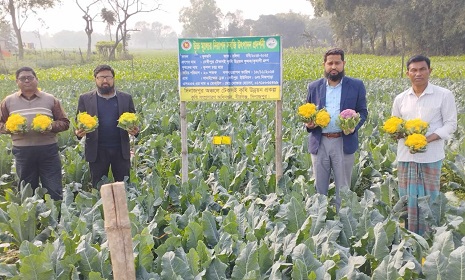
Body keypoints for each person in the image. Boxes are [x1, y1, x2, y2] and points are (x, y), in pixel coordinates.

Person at [392, 55, 457, 235]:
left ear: (430, 71)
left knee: (430, 198)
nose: (418, 73)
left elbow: (451, 124)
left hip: (431, 156)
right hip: (406, 156)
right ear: (407, 73)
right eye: (413, 70)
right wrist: (398, 134)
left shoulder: (444, 95)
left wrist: (426, 139)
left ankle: (430, 235)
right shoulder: (400, 99)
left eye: (422, 69)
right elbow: (395, 124)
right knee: (408, 199)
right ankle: (410, 236)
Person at [305, 48, 368, 209]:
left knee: (343, 188)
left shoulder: (356, 85)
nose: (334, 67)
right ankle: (320, 220)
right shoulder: (314, 87)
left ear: (343, 64)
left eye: (337, 63)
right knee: (320, 188)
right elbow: (308, 110)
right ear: (324, 65)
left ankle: (344, 221)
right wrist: (308, 124)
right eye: (330, 63)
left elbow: (363, 111)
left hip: (343, 141)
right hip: (320, 142)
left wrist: (354, 127)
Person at [0, 67, 70, 200]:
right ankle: (32, 218)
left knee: (53, 187)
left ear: (36, 80)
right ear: (17, 82)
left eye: (30, 77)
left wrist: (51, 126)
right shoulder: (8, 101)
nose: (27, 80)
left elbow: (65, 122)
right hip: (22, 151)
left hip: (48, 150)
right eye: (22, 78)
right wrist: (9, 128)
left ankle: (54, 216)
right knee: (27, 188)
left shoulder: (50, 99)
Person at [75, 64, 139, 188]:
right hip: (97, 151)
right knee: (98, 186)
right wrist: (78, 133)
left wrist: (135, 131)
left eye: (108, 77)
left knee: (123, 186)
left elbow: (134, 120)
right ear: (95, 79)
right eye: (101, 77)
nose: (105, 80)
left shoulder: (126, 98)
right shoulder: (85, 98)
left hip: (120, 151)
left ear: (113, 79)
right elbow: (77, 121)